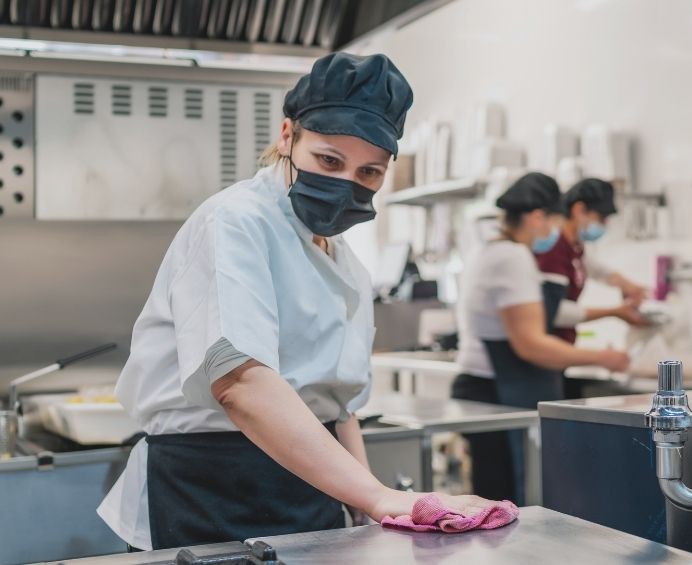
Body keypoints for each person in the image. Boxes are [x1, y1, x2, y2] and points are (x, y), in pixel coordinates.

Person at [97, 52, 503, 552]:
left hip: (313, 484)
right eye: (329, 160)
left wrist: (363, 510)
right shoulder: (236, 221)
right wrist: (376, 496)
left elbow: (338, 408)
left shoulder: (345, 262)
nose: (346, 184)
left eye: (370, 172)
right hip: (211, 486)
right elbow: (240, 383)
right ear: (288, 136)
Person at [452, 172, 630, 504]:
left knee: (494, 500)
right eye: (553, 222)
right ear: (537, 217)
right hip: (498, 391)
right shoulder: (513, 256)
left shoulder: (491, 249)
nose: (554, 232)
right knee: (507, 504)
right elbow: (531, 344)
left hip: (484, 387)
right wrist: (603, 357)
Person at [535, 178, 648, 395]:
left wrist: (627, 284)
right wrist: (615, 312)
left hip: (559, 357)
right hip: (544, 358)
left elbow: (594, 268)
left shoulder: (573, 246)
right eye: (601, 218)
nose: (604, 226)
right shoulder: (554, 247)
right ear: (579, 209)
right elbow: (553, 312)